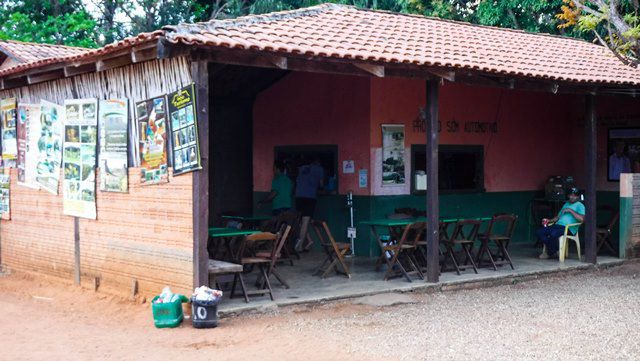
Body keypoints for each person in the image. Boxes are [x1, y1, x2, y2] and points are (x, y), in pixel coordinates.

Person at [536, 187, 585, 259]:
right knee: (539, 232)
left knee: (553, 233)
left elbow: (582, 219)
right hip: (557, 225)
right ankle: (554, 251)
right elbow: (558, 217)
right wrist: (549, 220)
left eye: (575, 195)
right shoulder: (566, 204)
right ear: (568, 196)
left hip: (569, 228)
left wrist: (570, 210)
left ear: (578, 197)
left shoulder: (580, 205)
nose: (572, 197)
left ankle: (549, 253)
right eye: (571, 195)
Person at [294, 158, 324, 251]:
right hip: (310, 197)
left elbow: (297, 181)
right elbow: (321, 185)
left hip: (298, 196)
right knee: (306, 221)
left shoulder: (302, 168)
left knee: (301, 221)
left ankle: (309, 240)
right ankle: (300, 243)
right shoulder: (319, 169)